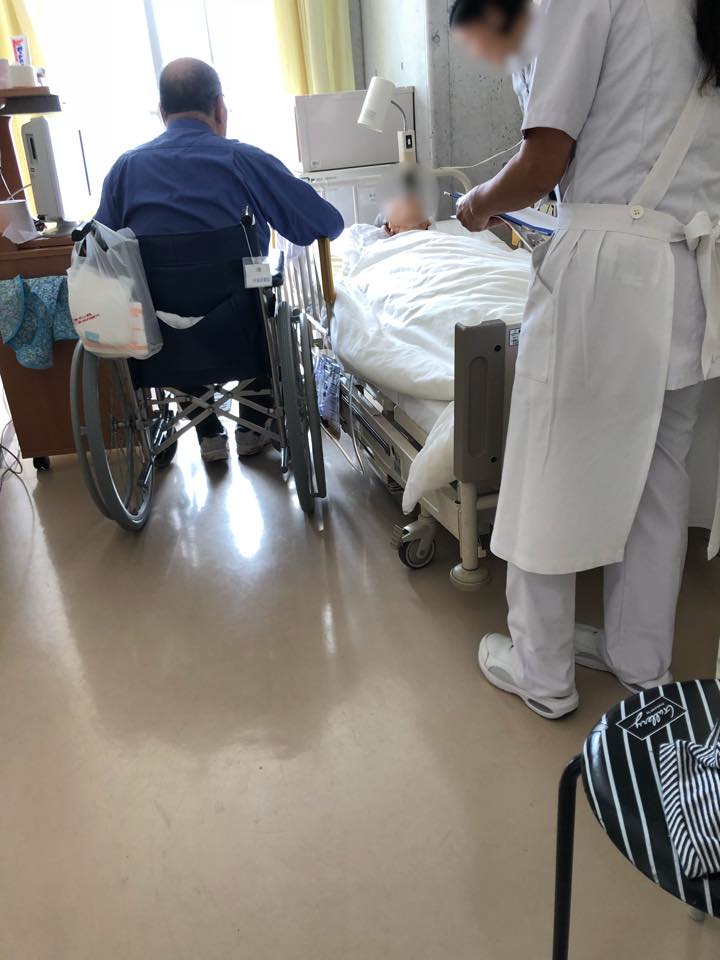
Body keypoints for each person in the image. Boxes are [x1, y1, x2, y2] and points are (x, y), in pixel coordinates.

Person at [449, 0, 720, 718]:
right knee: (659, 482)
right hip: (691, 278)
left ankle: (541, 670)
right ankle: (641, 660)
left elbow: (544, 161)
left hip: (608, 270)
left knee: (548, 470)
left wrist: (477, 203)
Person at [96, 58, 344, 463]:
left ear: (162, 112)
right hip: (242, 331)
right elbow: (323, 224)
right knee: (259, 295)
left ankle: (208, 432)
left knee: (165, 307)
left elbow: (101, 250)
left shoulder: (125, 169)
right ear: (219, 108)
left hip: (160, 339)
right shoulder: (243, 160)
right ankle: (252, 425)